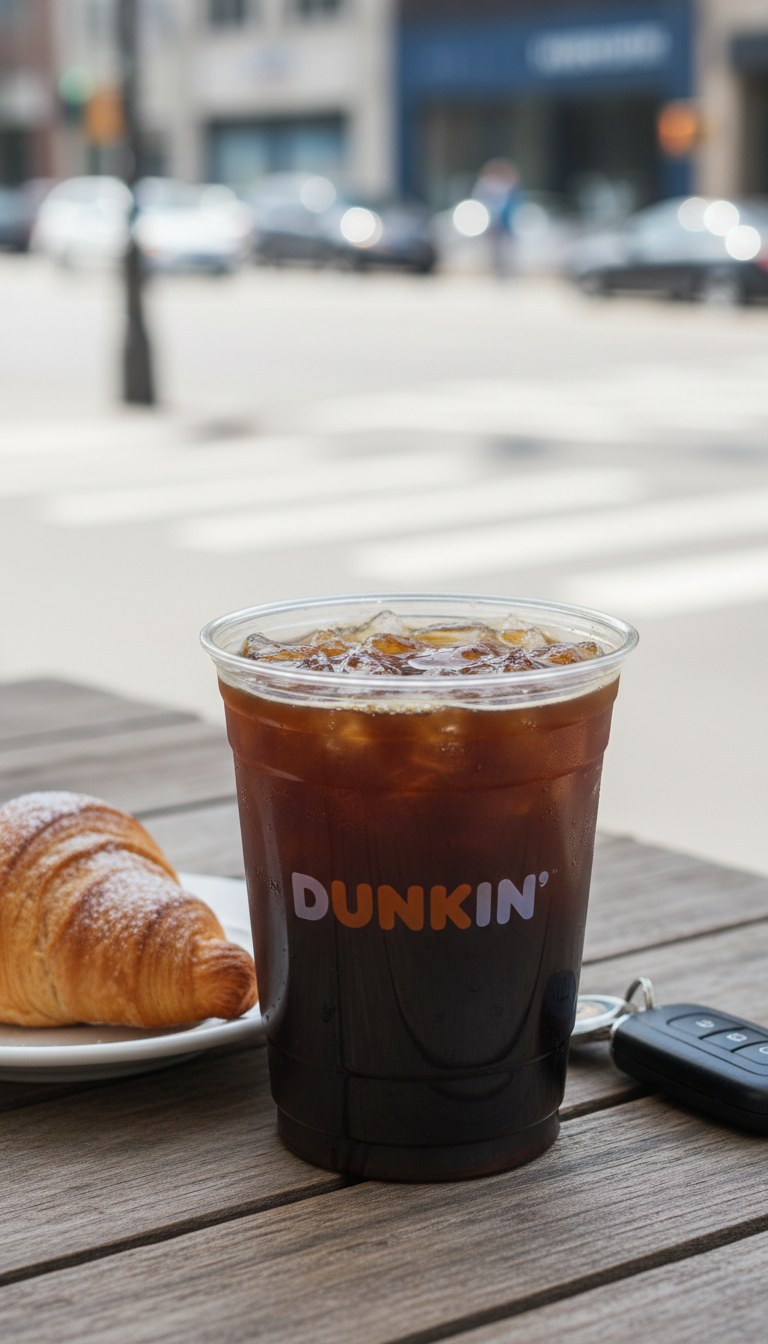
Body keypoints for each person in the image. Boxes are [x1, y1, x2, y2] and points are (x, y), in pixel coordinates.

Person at [472, 158, 524, 278]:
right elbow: (482, 202)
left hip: (507, 222)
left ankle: (507, 271)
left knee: (508, 249)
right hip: (493, 222)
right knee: (494, 249)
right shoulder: (486, 186)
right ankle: (497, 270)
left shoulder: (511, 186)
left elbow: (515, 205)